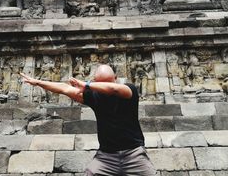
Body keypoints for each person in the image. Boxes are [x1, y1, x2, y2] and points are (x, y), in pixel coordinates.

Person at [20, 64, 156, 176]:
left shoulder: (129, 90)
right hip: (106, 157)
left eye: (107, 81)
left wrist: (87, 85)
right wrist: (38, 82)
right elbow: (65, 89)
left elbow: (114, 89)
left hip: (134, 155)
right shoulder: (94, 96)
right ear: (96, 82)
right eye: (100, 83)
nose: (104, 86)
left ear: (116, 78)